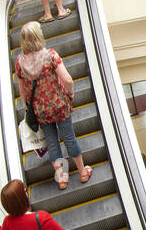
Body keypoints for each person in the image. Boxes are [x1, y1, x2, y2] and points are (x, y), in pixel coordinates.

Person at [15, 21, 91, 189]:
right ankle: (82, 172)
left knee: (52, 143)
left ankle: (62, 178)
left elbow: (23, 92)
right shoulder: (50, 56)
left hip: (40, 110)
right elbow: (68, 79)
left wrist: (31, 106)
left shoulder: (19, 63)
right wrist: (70, 93)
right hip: (59, 105)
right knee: (69, 138)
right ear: (38, 36)